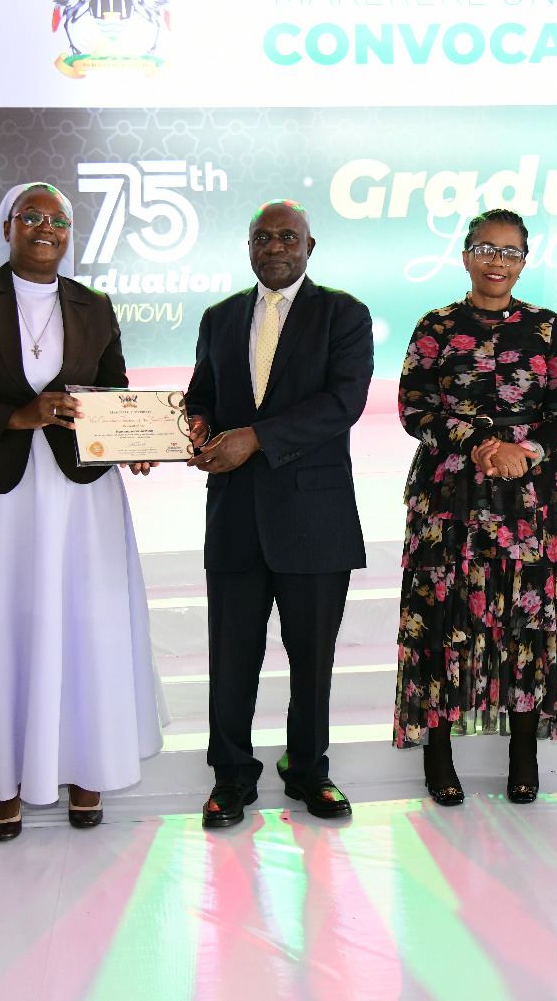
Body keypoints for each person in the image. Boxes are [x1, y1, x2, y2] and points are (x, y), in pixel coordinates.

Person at [0, 182, 165, 841]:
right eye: (33, 216)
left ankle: (86, 766)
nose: (47, 227)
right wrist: (14, 417)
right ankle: (6, 781)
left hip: (82, 493)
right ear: (8, 226)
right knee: (3, 624)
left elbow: (113, 391)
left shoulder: (93, 303)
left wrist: (133, 443)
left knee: (87, 623)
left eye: (58, 219)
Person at [183, 200, 373, 827]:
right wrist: (196, 425)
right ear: (248, 246)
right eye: (262, 237)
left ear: (309, 247)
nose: (274, 247)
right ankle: (232, 776)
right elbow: (200, 396)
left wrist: (253, 439)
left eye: (287, 237)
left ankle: (309, 768)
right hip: (235, 515)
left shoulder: (344, 314)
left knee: (311, 657)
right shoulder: (220, 317)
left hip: (313, 519)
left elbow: (341, 403)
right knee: (231, 658)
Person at [393, 208, 557, 805]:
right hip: (450, 497)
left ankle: (523, 759)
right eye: (486, 248)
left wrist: (524, 450)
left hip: (531, 499)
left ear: (524, 261)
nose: (497, 261)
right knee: (444, 622)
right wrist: (479, 444)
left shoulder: (548, 328)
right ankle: (439, 761)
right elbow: (414, 407)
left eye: (510, 252)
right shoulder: (437, 325)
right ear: (466, 254)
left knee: (528, 623)